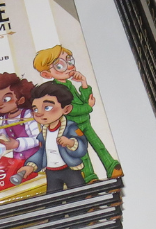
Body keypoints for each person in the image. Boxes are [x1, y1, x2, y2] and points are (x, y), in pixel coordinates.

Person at [33, 45, 122, 180]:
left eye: (69, 61)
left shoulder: (69, 84)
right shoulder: (56, 90)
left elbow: (83, 100)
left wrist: (83, 83)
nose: (69, 66)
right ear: (46, 74)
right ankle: (89, 176)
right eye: (60, 65)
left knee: (99, 145)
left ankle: (111, 166)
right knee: (82, 152)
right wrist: (89, 107)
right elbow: (72, 109)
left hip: (85, 122)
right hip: (73, 126)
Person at [10, 82, 89, 193]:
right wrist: (31, 165)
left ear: (66, 109)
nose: (39, 113)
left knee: (79, 195)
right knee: (53, 198)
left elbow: (82, 149)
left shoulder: (70, 128)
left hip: (69, 169)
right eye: (35, 109)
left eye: (47, 107)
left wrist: (71, 143)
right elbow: (42, 152)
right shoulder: (43, 133)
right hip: (51, 172)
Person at [0, 72, 39, 165]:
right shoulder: (6, 118)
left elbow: (38, 138)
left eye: (6, 99)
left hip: (36, 157)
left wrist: (17, 144)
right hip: (18, 159)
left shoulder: (28, 115)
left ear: (21, 100)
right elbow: (4, 135)